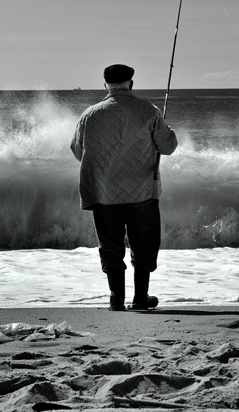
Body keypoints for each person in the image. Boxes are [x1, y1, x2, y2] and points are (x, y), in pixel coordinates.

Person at [70, 64, 178, 311]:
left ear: (105, 85)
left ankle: (116, 299)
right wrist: (166, 129)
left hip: (104, 192)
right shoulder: (148, 110)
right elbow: (168, 147)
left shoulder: (89, 115)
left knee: (110, 245)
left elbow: (78, 152)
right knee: (144, 244)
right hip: (141, 192)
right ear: (131, 83)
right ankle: (141, 298)